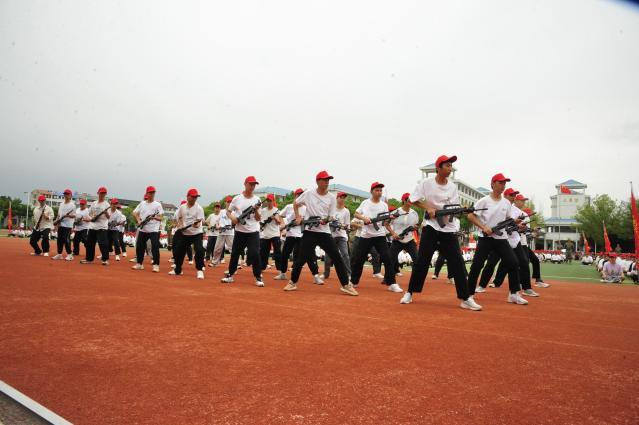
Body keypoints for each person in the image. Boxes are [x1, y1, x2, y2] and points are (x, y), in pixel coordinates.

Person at [399, 155, 481, 310]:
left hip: (448, 229)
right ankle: (409, 292)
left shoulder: (452, 187)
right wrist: (428, 208)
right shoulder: (426, 183)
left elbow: (454, 206)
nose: (450, 168)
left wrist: (460, 211)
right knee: (422, 262)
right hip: (431, 227)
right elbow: (412, 199)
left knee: (457, 262)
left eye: (451, 166)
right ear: (438, 168)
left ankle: (465, 298)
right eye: (447, 165)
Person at [283, 171, 358, 295]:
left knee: (337, 257)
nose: (327, 182)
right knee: (301, 258)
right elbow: (296, 203)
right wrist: (298, 217)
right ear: (317, 181)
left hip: (325, 233)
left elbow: (331, 216)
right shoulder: (308, 193)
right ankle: (292, 282)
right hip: (310, 232)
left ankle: (346, 285)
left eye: (328, 180)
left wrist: (326, 220)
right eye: (324, 180)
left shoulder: (332, 198)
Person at [466, 174, 528, 305]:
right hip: (486, 238)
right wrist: (483, 227)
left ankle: (514, 294)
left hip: (501, 238)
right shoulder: (484, 201)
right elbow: (470, 216)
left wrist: (516, 224)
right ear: (493, 184)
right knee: (477, 265)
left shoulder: (506, 203)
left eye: (504, 183)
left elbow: (507, 219)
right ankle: (468, 296)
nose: (503, 186)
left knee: (513, 263)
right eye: (500, 183)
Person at [350, 182, 403, 292]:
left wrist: (391, 217)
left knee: (387, 259)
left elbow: (385, 219)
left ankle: (392, 283)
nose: (379, 192)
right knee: (359, 259)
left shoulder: (384, 205)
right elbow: (356, 214)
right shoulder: (365, 203)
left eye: (380, 190)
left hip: (380, 235)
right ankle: (353, 282)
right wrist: (364, 218)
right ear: (371, 191)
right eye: (377, 190)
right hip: (366, 235)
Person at [221, 176, 264, 286]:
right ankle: (230, 275)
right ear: (245, 184)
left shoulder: (257, 200)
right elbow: (228, 212)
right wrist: (233, 219)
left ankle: (258, 277)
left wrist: (256, 211)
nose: (252, 186)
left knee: (255, 253)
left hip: (253, 231)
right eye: (251, 184)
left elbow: (258, 218)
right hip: (240, 231)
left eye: (254, 184)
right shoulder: (237, 199)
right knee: (235, 253)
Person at [275, 189, 323, 283]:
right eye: (299, 195)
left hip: (302, 235)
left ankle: (316, 276)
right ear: (295, 196)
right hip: (290, 234)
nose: (300, 196)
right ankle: (283, 273)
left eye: (302, 195)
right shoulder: (289, 207)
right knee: (285, 254)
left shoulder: (307, 208)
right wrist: (283, 226)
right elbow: (280, 215)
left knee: (309, 255)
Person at [170, 188, 206, 279]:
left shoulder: (199, 208)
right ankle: (178, 270)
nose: (194, 198)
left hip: (197, 233)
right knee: (178, 251)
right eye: (193, 197)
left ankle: (200, 270)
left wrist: (195, 225)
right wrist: (181, 225)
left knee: (199, 250)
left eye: (196, 197)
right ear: (188, 197)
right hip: (185, 233)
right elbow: (179, 217)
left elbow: (199, 223)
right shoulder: (182, 207)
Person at [131, 186, 164, 272]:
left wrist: (154, 217)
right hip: (143, 229)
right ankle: (139, 264)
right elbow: (134, 212)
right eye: (150, 192)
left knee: (155, 247)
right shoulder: (142, 203)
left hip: (154, 230)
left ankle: (156, 265)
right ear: (147, 193)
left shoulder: (158, 205)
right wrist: (139, 220)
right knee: (139, 247)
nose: (152, 194)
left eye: (153, 192)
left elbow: (161, 217)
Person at [389, 192, 419, 277]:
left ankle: (416, 278)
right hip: (397, 240)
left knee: (417, 260)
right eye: (408, 200)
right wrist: (393, 233)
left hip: (409, 239)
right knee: (390, 260)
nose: (410, 202)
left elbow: (416, 226)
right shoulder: (395, 212)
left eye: (411, 200)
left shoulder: (414, 213)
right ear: (403, 200)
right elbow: (386, 224)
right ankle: (388, 278)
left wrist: (415, 228)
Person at [323, 191, 352, 280]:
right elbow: (325, 220)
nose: (342, 199)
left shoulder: (346, 211)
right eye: (340, 197)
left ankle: (349, 274)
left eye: (344, 198)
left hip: (342, 236)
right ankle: (326, 274)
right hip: (330, 235)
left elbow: (347, 225)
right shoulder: (331, 209)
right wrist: (330, 221)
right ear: (337, 198)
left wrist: (343, 226)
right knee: (327, 257)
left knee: (345, 255)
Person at [81, 187, 111, 265]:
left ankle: (105, 259)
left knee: (103, 244)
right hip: (92, 226)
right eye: (101, 193)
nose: (102, 194)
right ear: (98, 193)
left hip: (102, 227)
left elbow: (109, 217)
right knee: (89, 243)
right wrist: (91, 218)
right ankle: (89, 259)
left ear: (105, 194)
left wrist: (105, 213)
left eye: (104, 193)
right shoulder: (94, 203)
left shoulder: (107, 204)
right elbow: (90, 213)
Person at [259, 194, 282, 272]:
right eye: (268, 201)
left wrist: (275, 218)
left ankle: (279, 269)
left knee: (277, 251)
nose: (269, 202)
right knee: (263, 252)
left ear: (273, 201)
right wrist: (262, 224)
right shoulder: (263, 210)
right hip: (265, 234)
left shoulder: (277, 210)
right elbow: (261, 222)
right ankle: (262, 267)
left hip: (275, 234)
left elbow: (279, 222)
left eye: (270, 201)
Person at [52, 189, 75, 260]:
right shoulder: (61, 204)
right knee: (59, 239)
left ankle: (70, 254)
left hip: (68, 225)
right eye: (65, 194)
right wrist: (56, 222)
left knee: (66, 239)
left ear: (70, 195)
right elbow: (59, 215)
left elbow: (74, 215)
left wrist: (67, 216)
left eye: (67, 194)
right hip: (61, 224)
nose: (66, 195)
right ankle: (59, 254)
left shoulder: (72, 205)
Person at [211, 196, 234, 267]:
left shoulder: (234, 212)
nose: (229, 203)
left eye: (230, 202)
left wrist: (232, 225)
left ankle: (236, 263)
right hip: (221, 232)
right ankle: (215, 262)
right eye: (228, 202)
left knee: (233, 248)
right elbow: (217, 221)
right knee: (217, 248)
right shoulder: (221, 212)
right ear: (225, 203)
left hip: (230, 232)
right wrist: (217, 226)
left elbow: (235, 222)